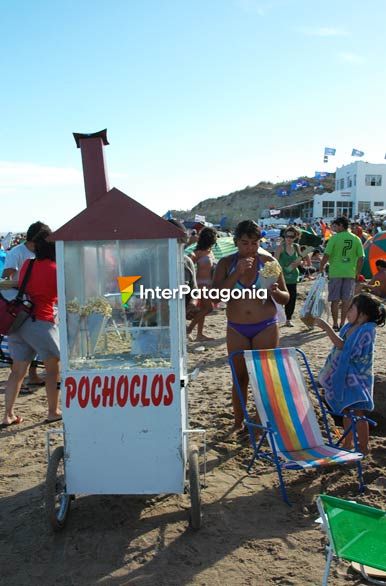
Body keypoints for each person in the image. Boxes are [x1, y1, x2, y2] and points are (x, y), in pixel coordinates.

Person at [212, 220, 289, 430]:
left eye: (255, 243)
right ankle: (238, 422)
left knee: (264, 378)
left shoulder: (269, 262)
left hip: (265, 324)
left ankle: (263, 420)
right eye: (245, 243)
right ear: (236, 242)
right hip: (237, 326)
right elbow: (216, 295)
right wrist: (236, 274)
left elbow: (286, 298)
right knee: (239, 378)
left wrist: (275, 292)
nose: (250, 248)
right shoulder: (226, 263)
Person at [1, 232, 61, 429]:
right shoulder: (55, 269)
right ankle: (53, 411)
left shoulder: (28, 264)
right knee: (53, 369)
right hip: (41, 322)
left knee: (17, 371)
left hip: (19, 321)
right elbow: (59, 296)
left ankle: (8, 415)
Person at [315, 293, 385, 454]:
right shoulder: (349, 327)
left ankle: (364, 446)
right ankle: (348, 443)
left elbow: (344, 347)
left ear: (363, 314)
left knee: (358, 413)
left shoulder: (367, 330)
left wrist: (327, 328)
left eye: (351, 308)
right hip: (344, 376)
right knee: (346, 410)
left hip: (357, 378)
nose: (347, 312)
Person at [2, 221, 51, 387]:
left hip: (36, 302)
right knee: (21, 346)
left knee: (32, 344)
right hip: (21, 303)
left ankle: (33, 374)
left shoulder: (38, 252)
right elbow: (7, 275)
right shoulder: (17, 252)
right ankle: (23, 378)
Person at [319, 216, 364, 331]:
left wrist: (321, 267)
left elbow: (326, 255)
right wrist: (357, 273)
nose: (334, 228)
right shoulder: (356, 239)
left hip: (335, 273)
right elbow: (361, 258)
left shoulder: (334, 238)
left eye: (335, 226)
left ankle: (335, 324)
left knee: (335, 300)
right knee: (346, 300)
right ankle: (342, 323)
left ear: (341, 226)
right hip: (350, 273)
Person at [187, 227, 218, 341]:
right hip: (200, 285)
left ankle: (199, 334)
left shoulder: (210, 252)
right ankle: (189, 330)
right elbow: (188, 264)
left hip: (209, 285)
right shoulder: (197, 253)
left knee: (203, 309)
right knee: (208, 308)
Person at [274, 227, 302, 326]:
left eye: (291, 236)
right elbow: (275, 262)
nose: (289, 238)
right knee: (280, 298)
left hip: (293, 276)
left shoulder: (296, 247)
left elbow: (300, 259)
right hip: (282, 277)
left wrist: (298, 263)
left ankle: (288, 319)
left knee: (292, 298)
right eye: (287, 236)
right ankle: (278, 318)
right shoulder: (280, 247)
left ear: (295, 237)